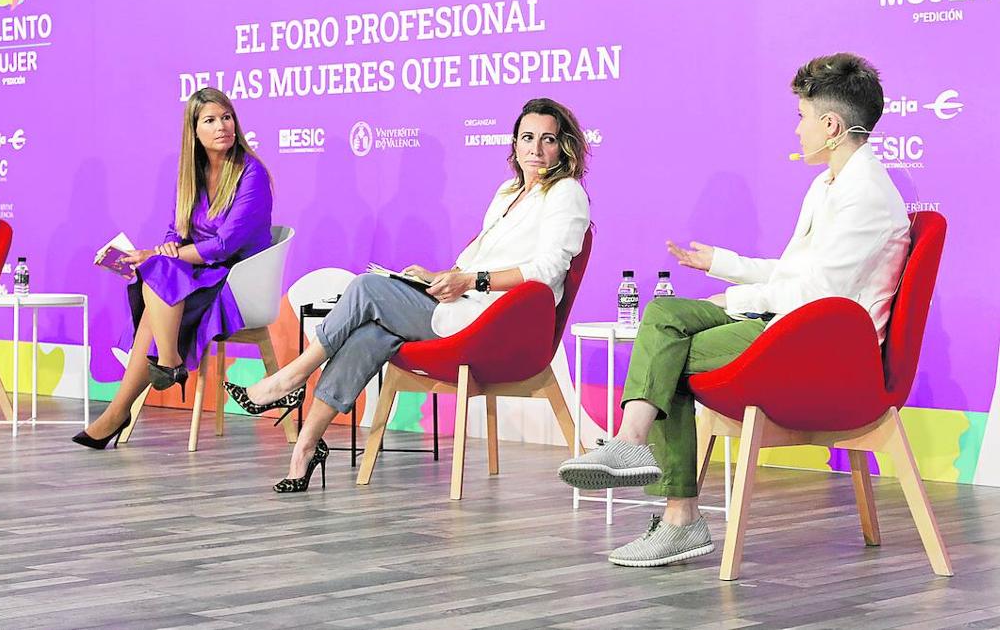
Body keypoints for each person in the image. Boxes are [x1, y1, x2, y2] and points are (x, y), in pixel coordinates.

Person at [557, 53, 912, 568]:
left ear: (831, 126)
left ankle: (678, 518)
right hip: (793, 327)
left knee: (670, 354)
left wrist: (737, 301)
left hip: (823, 353)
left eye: (802, 117)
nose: (797, 130)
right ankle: (633, 442)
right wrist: (723, 265)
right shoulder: (830, 185)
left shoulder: (867, 197)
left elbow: (815, 296)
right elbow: (796, 272)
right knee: (665, 317)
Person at [224, 97, 592, 492]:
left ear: (563, 146)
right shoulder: (508, 192)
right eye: (527, 137)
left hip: (498, 323)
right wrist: (444, 276)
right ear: (515, 144)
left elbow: (548, 270)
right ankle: (306, 448)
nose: (535, 149)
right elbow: (477, 257)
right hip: (466, 304)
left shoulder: (566, 194)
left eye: (548, 139)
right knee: (369, 336)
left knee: (366, 288)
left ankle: (290, 379)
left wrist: (471, 282)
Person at [73, 87, 272, 449]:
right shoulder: (191, 173)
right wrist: (166, 248)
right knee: (161, 274)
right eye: (210, 121)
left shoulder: (251, 173)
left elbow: (226, 245)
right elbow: (176, 229)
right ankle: (163, 368)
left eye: (226, 117)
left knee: (159, 282)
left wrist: (166, 256)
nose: (222, 126)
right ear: (194, 131)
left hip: (235, 278)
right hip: (199, 273)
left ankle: (135, 396)